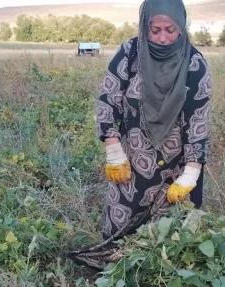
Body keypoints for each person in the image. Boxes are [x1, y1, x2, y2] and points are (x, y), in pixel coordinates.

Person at [67, 0, 212, 270]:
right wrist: (113, 150)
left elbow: (199, 123)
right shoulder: (129, 53)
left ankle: (155, 279)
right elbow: (108, 101)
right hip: (130, 160)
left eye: (170, 30)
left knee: (169, 233)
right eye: (154, 30)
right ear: (144, 27)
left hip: (175, 165)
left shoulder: (194, 64)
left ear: (181, 26)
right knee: (121, 223)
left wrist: (190, 173)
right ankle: (115, 273)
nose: (162, 38)